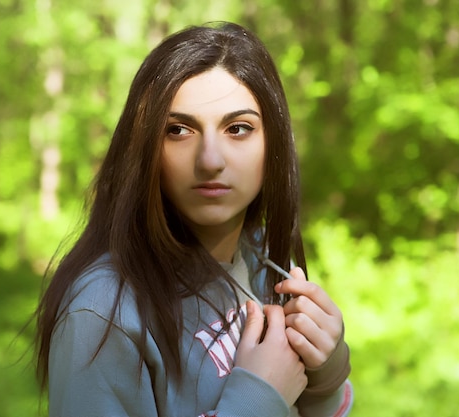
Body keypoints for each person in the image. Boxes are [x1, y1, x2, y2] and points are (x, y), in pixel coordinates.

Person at [35, 21, 353, 417]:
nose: (210, 160)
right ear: (145, 146)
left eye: (238, 128)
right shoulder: (103, 314)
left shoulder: (264, 263)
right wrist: (256, 401)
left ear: (272, 142)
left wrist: (326, 374)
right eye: (179, 130)